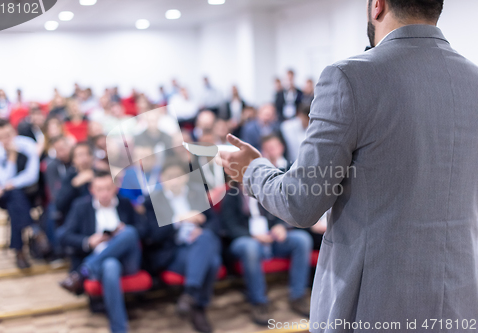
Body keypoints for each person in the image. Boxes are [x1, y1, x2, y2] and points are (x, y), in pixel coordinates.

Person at [219, 0, 478, 331]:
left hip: (376, 302)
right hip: (461, 299)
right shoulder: (473, 78)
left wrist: (252, 170)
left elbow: (300, 202)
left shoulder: (351, 77)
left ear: (377, 6)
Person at [59, 171, 144, 333]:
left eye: (108, 188)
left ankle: (85, 270)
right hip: (102, 262)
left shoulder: (125, 204)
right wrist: (88, 241)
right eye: (100, 189)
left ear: (115, 188)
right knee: (110, 265)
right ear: (92, 190)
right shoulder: (81, 207)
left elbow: (144, 230)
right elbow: (64, 236)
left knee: (130, 232)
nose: (104, 193)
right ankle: (119, 330)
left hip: (128, 260)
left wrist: (123, 231)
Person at [143, 158, 221, 333]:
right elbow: (152, 236)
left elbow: (215, 224)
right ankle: (198, 305)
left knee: (206, 237)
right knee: (212, 262)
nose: (175, 180)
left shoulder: (197, 193)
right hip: (173, 251)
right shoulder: (153, 201)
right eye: (170, 177)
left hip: (199, 245)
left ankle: (191, 296)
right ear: (162, 178)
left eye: (178, 176)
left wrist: (201, 229)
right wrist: (178, 222)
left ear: (186, 177)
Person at [222, 183, 312, 325]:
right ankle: (259, 302)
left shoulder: (267, 192)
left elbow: (281, 213)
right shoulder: (230, 196)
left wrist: (281, 226)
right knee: (250, 247)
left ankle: (298, 295)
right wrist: (253, 236)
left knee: (301, 239)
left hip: (271, 239)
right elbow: (229, 226)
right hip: (245, 241)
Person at [0, 119, 42, 268]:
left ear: (14, 132)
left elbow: (32, 176)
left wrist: (8, 185)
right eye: (1, 137)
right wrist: (12, 156)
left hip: (23, 192)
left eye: (8, 135)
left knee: (15, 199)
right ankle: (34, 229)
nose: (6, 139)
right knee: (15, 197)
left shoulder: (28, 145)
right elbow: (2, 178)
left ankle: (19, 252)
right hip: (3, 195)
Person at [55, 142, 94, 221]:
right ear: (73, 160)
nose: (84, 158)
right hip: (76, 219)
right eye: (80, 155)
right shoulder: (69, 177)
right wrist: (74, 185)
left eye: (87, 154)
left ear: (91, 157)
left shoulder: (100, 174)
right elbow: (59, 204)